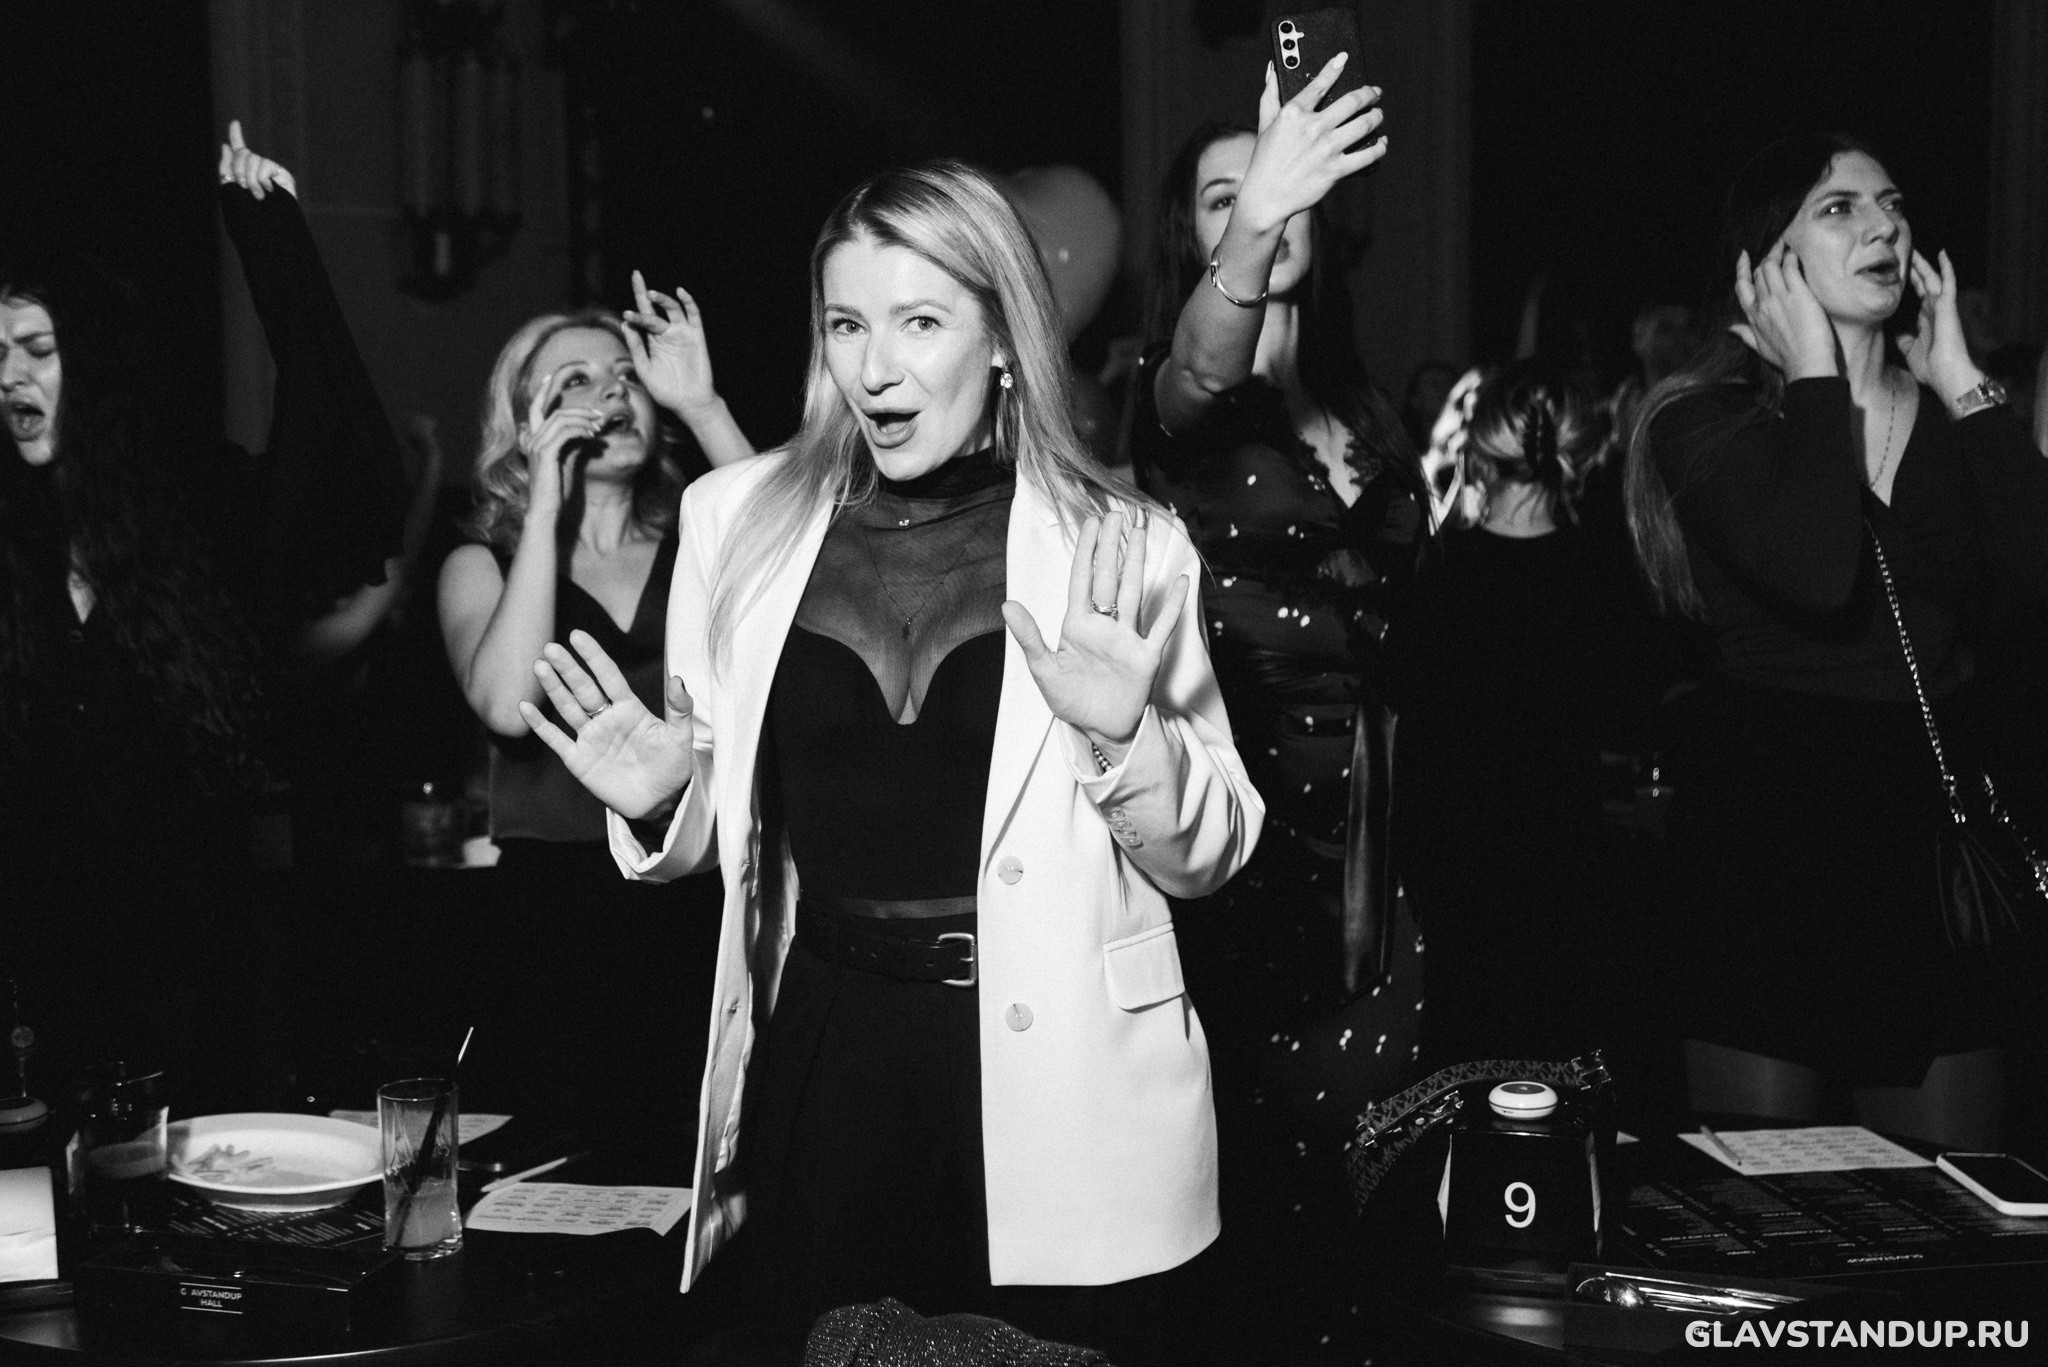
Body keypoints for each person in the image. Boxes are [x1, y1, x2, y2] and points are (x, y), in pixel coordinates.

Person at [518, 159, 1261, 1365]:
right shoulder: (735, 520)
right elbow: (719, 828)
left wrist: (1126, 735)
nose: (873, 368)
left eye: (919, 322)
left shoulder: (1121, 544)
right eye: (846, 324)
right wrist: (664, 801)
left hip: (1063, 1076)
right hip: (830, 1056)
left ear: (1004, 336)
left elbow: (1209, 851)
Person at [1625, 134, 2048, 1149]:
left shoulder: (1952, 421)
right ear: (1764, 265)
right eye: (1838, 208)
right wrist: (1817, 373)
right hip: (1765, 846)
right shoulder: (1702, 421)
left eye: (1891, 204)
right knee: (1766, 1214)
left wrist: (1961, 378)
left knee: (1955, 1205)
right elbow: (1817, 572)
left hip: (1927, 858)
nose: (1882, 226)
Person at [0, 125, 406, 1101]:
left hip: (194, 972)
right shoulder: (11, 544)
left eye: (37, 349)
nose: (9, 375)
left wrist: (273, 241)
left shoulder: (196, 515)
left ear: (96, 361)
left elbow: (328, 446)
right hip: (37, 976)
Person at [1123, 57, 1423, 1364]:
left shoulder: (1368, 410)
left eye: (1283, 187)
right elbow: (1203, 359)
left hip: (1382, 840)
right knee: (1254, 1192)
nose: (1265, 206)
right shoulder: (1174, 403)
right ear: (1192, 238)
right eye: (1226, 198)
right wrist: (1257, 223)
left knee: (1378, 1181)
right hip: (1245, 836)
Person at [436, 280, 751, 1131]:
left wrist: (706, 405)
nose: (611, 394)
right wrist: (544, 502)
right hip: (551, 911)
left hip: (695, 882)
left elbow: (803, 558)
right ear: (523, 421)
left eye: (626, 376)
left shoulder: (706, 536)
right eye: (575, 381)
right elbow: (507, 704)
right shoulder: (484, 561)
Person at [1388, 361, 1649, 1068]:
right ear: (1580, 453)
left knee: (1466, 1073)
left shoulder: (1436, 573)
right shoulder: (1607, 575)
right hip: (1568, 865)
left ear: (1478, 452)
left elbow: (1403, 717)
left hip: (1457, 873)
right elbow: (1628, 715)